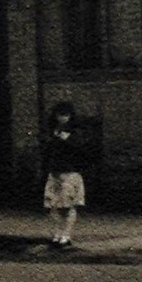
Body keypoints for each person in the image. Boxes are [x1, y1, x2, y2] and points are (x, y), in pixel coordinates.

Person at [42, 102, 90, 250]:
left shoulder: (76, 132)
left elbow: (82, 150)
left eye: (65, 115)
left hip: (70, 173)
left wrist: (67, 139)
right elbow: (47, 151)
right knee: (53, 206)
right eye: (60, 115)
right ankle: (57, 235)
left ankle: (66, 236)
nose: (62, 118)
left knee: (69, 206)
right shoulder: (53, 131)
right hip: (55, 172)